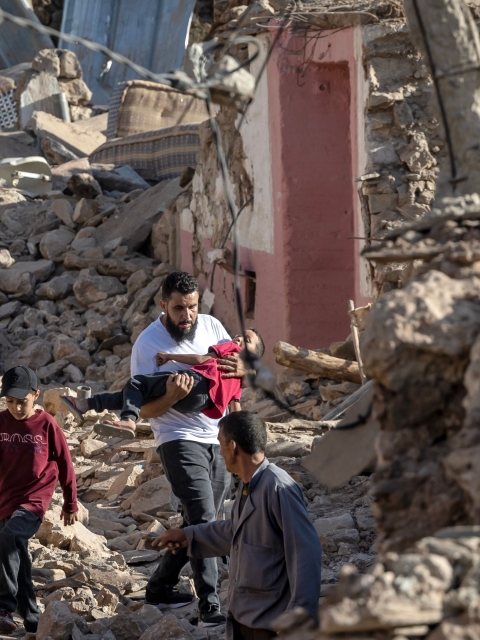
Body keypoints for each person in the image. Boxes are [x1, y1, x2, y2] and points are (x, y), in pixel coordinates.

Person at [126, 271, 245, 627]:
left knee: (196, 521)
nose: (187, 315)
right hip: (177, 438)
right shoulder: (147, 346)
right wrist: (172, 396)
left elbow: (235, 376)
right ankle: (210, 605)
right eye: (178, 308)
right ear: (163, 305)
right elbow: (143, 411)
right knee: (206, 518)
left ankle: (160, 586)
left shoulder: (212, 326)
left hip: (219, 437)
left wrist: (244, 371)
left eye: (191, 307)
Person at [153, 411, 322, 640]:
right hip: (243, 617)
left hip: (271, 623)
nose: (220, 452)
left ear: (233, 447)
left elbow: (305, 549)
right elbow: (235, 531)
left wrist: (300, 613)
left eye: (221, 445)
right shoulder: (248, 485)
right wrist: (187, 535)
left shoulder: (278, 487)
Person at [0, 366, 79, 634]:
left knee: (7, 541)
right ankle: (32, 618)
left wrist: (70, 503)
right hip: (6, 500)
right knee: (17, 558)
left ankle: (4, 608)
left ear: (36, 395)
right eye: (10, 402)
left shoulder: (46, 424)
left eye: (22, 402)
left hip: (35, 499)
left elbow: (65, 463)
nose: (16, 408)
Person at [62, 330, 264, 423]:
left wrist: (170, 356)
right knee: (137, 397)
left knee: (137, 383)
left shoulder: (232, 349)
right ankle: (86, 405)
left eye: (246, 339)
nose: (238, 338)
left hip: (195, 383)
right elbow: (235, 407)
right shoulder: (238, 379)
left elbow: (202, 358)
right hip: (197, 405)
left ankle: (127, 420)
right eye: (238, 335)